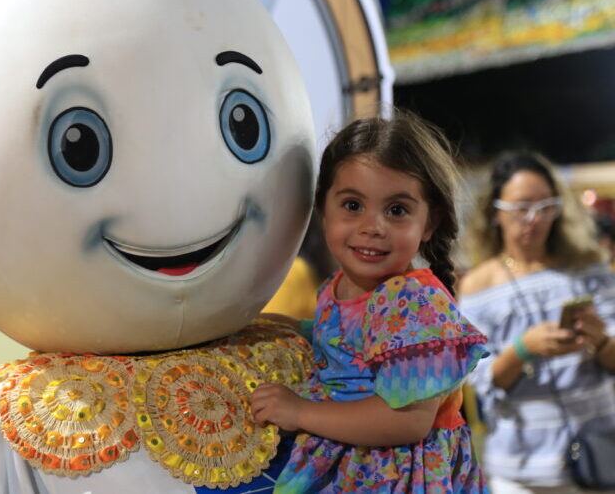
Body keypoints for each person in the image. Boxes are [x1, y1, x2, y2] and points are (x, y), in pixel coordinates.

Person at [251, 111, 490, 492]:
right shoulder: (338, 287)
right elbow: (357, 346)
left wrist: (301, 412)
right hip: (347, 462)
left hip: (396, 476)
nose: (372, 227)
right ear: (322, 207)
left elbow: (407, 420)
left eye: (396, 210)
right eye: (352, 205)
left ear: (429, 223)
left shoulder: (413, 302)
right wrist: (299, 329)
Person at [459, 151, 615, 493]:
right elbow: (480, 380)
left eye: (546, 207)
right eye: (521, 208)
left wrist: (601, 340)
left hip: (598, 456)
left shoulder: (588, 267)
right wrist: (522, 349)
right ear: (495, 212)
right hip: (520, 467)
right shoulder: (477, 287)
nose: (535, 219)